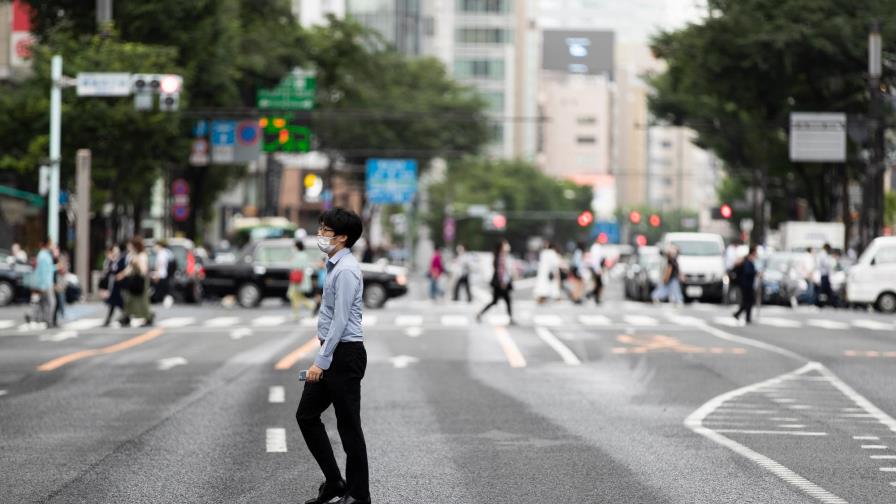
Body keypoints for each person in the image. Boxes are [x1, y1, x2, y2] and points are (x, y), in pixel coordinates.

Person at [296, 208, 370, 504]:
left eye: (326, 230)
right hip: (335, 350)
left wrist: (321, 361)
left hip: (345, 354)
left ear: (343, 237)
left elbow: (340, 322)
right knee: (306, 415)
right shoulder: (334, 265)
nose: (321, 234)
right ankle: (336, 483)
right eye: (322, 228)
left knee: (349, 425)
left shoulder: (347, 270)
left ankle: (358, 495)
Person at [117, 236, 154, 327]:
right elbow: (129, 268)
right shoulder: (134, 255)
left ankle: (147, 316)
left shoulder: (141, 255)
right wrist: (122, 274)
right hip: (134, 279)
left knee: (142, 300)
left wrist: (136, 263)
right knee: (130, 299)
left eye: (130, 245)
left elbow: (143, 270)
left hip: (140, 280)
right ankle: (126, 316)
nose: (129, 247)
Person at [476, 239, 514, 324]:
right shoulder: (501, 256)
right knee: (501, 301)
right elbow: (500, 271)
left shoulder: (501, 255)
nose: (508, 246)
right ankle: (480, 314)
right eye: (506, 244)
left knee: (499, 301)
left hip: (500, 282)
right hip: (500, 283)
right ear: (501, 247)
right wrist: (502, 282)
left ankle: (480, 314)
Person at [24, 239, 56, 327]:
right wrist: (43, 285)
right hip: (45, 284)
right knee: (50, 302)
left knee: (41, 302)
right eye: (51, 244)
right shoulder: (43, 255)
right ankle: (47, 320)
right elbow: (43, 271)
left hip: (43, 283)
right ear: (47, 245)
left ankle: (33, 315)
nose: (52, 246)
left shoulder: (44, 255)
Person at [288, 239, 316, 321]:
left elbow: (293, 266)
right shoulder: (305, 255)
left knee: (295, 296)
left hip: (297, 280)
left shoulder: (297, 255)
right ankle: (296, 313)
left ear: (297, 246)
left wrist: (291, 260)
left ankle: (310, 306)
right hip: (302, 280)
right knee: (297, 297)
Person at [100, 244, 127, 327]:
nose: (116, 252)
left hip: (119, 285)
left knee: (117, 303)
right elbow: (107, 272)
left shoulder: (122, 259)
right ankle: (124, 317)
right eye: (114, 250)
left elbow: (123, 270)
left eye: (117, 250)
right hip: (113, 285)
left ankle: (125, 317)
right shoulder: (111, 261)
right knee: (114, 303)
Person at [733, 245, 759, 324]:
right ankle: (745, 317)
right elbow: (748, 272)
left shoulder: (748, 259)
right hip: (746, 284)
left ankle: (741, 315)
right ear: (753, 252)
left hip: (746, 284)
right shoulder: (748, 260)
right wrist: (756, 273)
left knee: (747, 301)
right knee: (749, 301)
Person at [152, 241, 174, 308]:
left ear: (159, 246)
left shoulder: (161, 253)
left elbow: (160, 264)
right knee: (164, 289)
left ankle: (166, 300)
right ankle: (166, 300)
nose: (154, 248)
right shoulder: (166, 252)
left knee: (162, 289)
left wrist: (157, 274)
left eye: (155, 246)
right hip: (164, 274)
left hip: (161, 274)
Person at [816, 243, 836, 307]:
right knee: (823, 290)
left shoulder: (823, 254)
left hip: (824, 274)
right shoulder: (823, 254)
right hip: (824, 274)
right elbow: (826, 263)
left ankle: (829, 302)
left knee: (826, 290)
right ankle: (822, 303)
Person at [588, 238, 604, 304]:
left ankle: (594, 296)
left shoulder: (597, 247)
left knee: (598, 284)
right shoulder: (596, 248)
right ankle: (591, 295)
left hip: (596, 268)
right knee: (599, 284)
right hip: (596, 268)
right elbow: (595, 260)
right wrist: (597, 269)